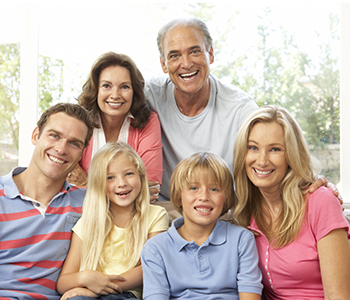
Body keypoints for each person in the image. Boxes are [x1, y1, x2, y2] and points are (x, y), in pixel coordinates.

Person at [145, 17, 340, 209]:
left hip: (222, 215)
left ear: (210, 54)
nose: (186, 64)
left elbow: (278, 149)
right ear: (163, 64)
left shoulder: (239, 108)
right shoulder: (149, 95)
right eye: (174, 56)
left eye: (195, 51)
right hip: (165, 212)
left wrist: (312, 181)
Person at [232, 105, 350, 299]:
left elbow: (339, 296)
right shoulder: (243, 207)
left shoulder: (321, 201)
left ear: (291, 155)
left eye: (275, 149)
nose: (261, 161)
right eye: (253, 147)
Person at [0, 103, 94, 299]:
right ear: (36, 135)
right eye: (54, 136)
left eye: (74, 143)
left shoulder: (88, 203)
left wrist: (85, 287)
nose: (61, 149)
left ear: (82, 152)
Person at [141, 152, 263, 300]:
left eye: (214, 189)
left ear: (226, 198)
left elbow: (250, 295)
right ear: (179, 196)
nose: (204, 196)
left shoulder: (242, 239)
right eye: (193, 188)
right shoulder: (155, 248)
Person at [57, 142, 169, 300]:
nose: (122, 183)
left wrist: (101, 289)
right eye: (110, 177)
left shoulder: (156, 215)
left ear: (141, 176)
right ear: (99, 184)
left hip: (127, 294)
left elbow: (150, 267)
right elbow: (63, 282)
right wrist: (85, 279)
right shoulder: (87, 223)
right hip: (88, 293)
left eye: (129, 174)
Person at [70, 52, 163, 202]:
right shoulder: (79, 122)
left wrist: (85, 184)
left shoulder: (148, 121)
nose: (115, 95)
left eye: (124, 87)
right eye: (106, 86)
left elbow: (150, 189)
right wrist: (127, 193)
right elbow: (64, 178)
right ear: (96, 90)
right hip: (81, 214)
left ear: (134, 92)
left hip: (133, 219)